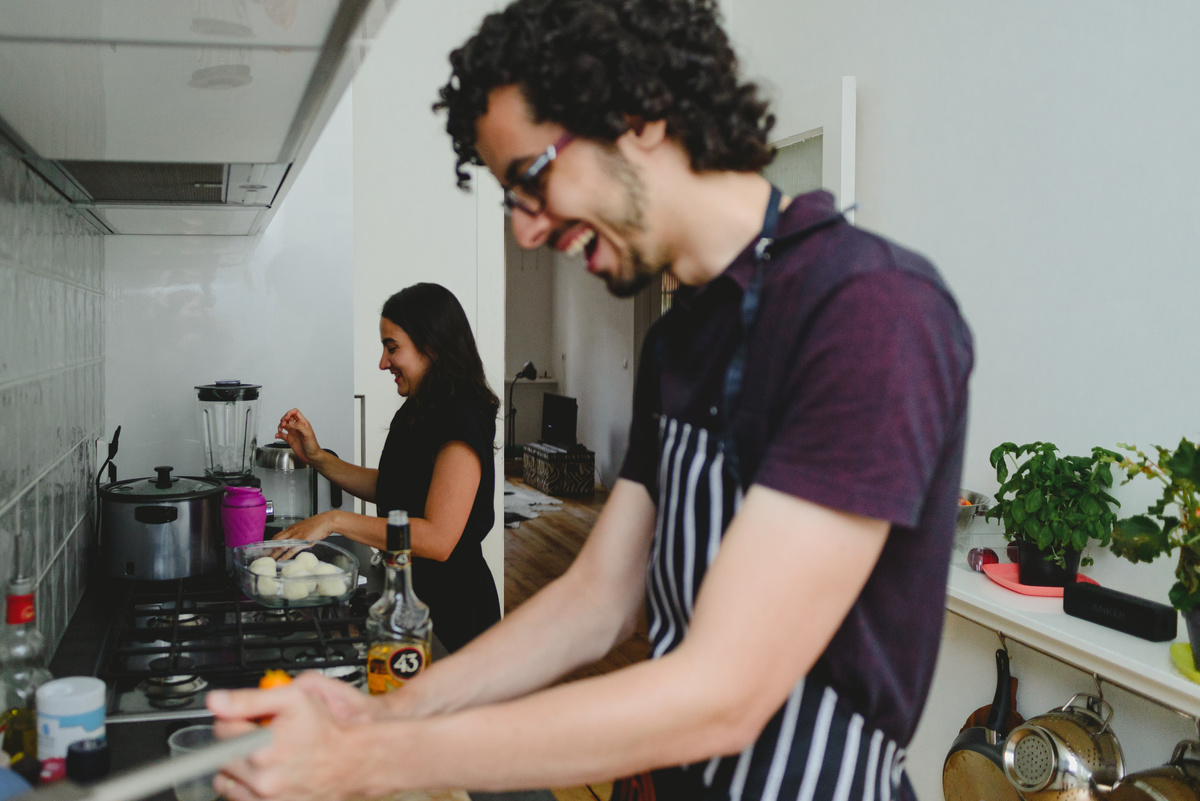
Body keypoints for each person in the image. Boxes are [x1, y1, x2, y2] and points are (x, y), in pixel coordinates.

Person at [207, 1, 974, 799]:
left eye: (530, 181)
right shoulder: (682, 341)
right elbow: (596, 599)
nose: (528, 232)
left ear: (637, 117)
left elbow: (727, 694)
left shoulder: (867, 309)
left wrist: (368, 761)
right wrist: (385, 714)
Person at [269, 282, 501, 654]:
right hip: (411, 600)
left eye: (392, 348)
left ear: (433, 345)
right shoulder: (420, 408)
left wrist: (334, 520)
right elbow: (394, 489)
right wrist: (316, 458)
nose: (383, 362)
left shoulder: (462, 418)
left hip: (454, 616)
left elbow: (438, 539)